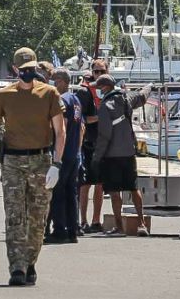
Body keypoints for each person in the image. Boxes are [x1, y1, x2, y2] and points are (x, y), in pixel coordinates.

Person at [0, 47, 66, 286]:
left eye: (32, 69)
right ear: (16, 69)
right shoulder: (4, 96)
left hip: (41, 161)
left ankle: (30, 262)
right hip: (13, 163)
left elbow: (61, 131)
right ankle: (16, 267)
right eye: (25, 69)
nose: (29, 73)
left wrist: (57, 164)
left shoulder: (49, 93)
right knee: (15, 217)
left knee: (38, 217)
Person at [91, 74, 152, 236]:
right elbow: (142, 96)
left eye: (98, 88)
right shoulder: (127, 98)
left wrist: (97, 157)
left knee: (114, 191)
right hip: (129, 151)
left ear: (104, 88)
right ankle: (141, 224)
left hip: (111, 155)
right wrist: (150, 86)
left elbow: (104, 135)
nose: (97, 91)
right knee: (133, 187)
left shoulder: (105, 106)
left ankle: (119, 227)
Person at [45, 68, 82, 244]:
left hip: (63, 151)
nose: (53, 83)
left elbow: (62, 127)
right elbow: (81, 128)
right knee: (70, 192)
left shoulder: (62, 100)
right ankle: (73, 229)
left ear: (62, 81)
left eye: (55, 80)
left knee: (58, 192)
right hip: (73, 152)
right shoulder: (76, 100)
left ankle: (60, 229)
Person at [75, 59, 104, 234]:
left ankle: (96, 221)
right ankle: (83, 220)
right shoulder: (84, 92)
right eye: (96, 71)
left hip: (103, 143)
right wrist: (101, 116)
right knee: (84, 185)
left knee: (100, 185)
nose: (98, 75)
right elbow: (82, 118)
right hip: (87, 143)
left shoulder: (110, 91)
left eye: (102, 71)